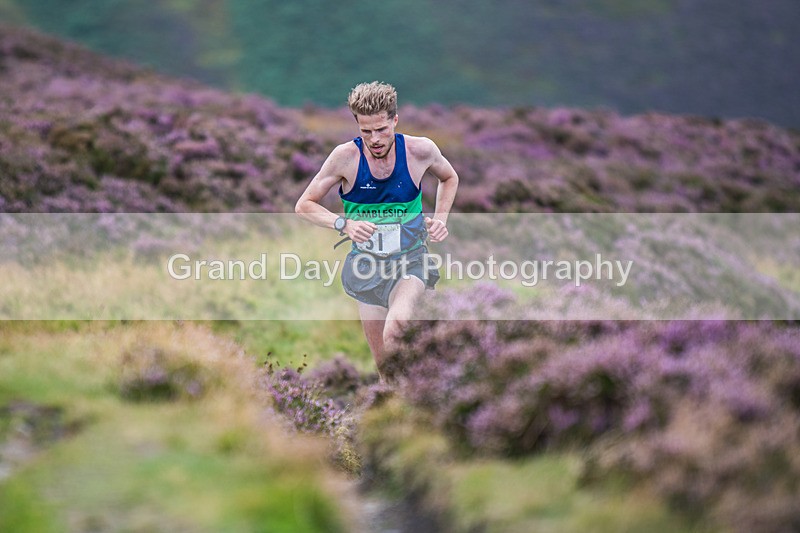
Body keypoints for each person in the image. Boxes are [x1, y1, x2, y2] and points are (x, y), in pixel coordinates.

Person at [295, 81, 459, 380]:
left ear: (395, 120)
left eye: (382, 129)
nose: (375, 139)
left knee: (396, 329)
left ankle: (423, 395)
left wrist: (441, 219)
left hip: (411, 260)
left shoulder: (420, 150)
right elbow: (304, 205)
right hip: (366, 266)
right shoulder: (345, 158)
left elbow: (449, 177)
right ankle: (396, 415)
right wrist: (344, 223)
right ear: (357, 125)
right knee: (385, 369)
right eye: (366, 131)